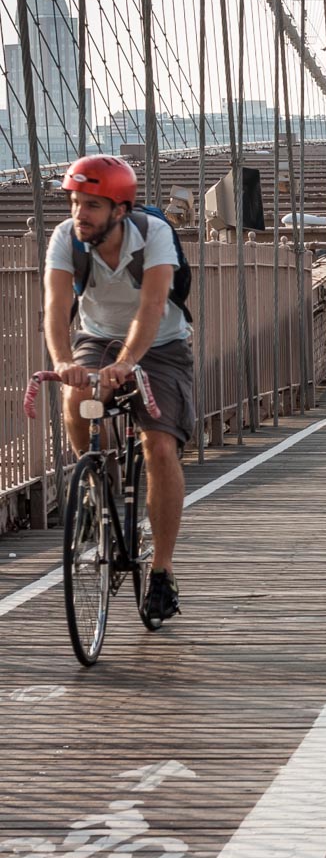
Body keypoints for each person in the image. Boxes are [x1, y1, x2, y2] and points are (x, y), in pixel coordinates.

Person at [44, 154, 195, 625]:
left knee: (160, 446)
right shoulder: (66, 240)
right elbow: (54, 306)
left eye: (91, 205)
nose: (79, 214)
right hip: (95, 339)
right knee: (74, 398)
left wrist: (128, 363)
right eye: (75, 203)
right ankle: (96, 484)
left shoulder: (153, 234)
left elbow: (152, 307)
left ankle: (163, 573)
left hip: (161, 344)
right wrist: (64, 362)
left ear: (120, 210)